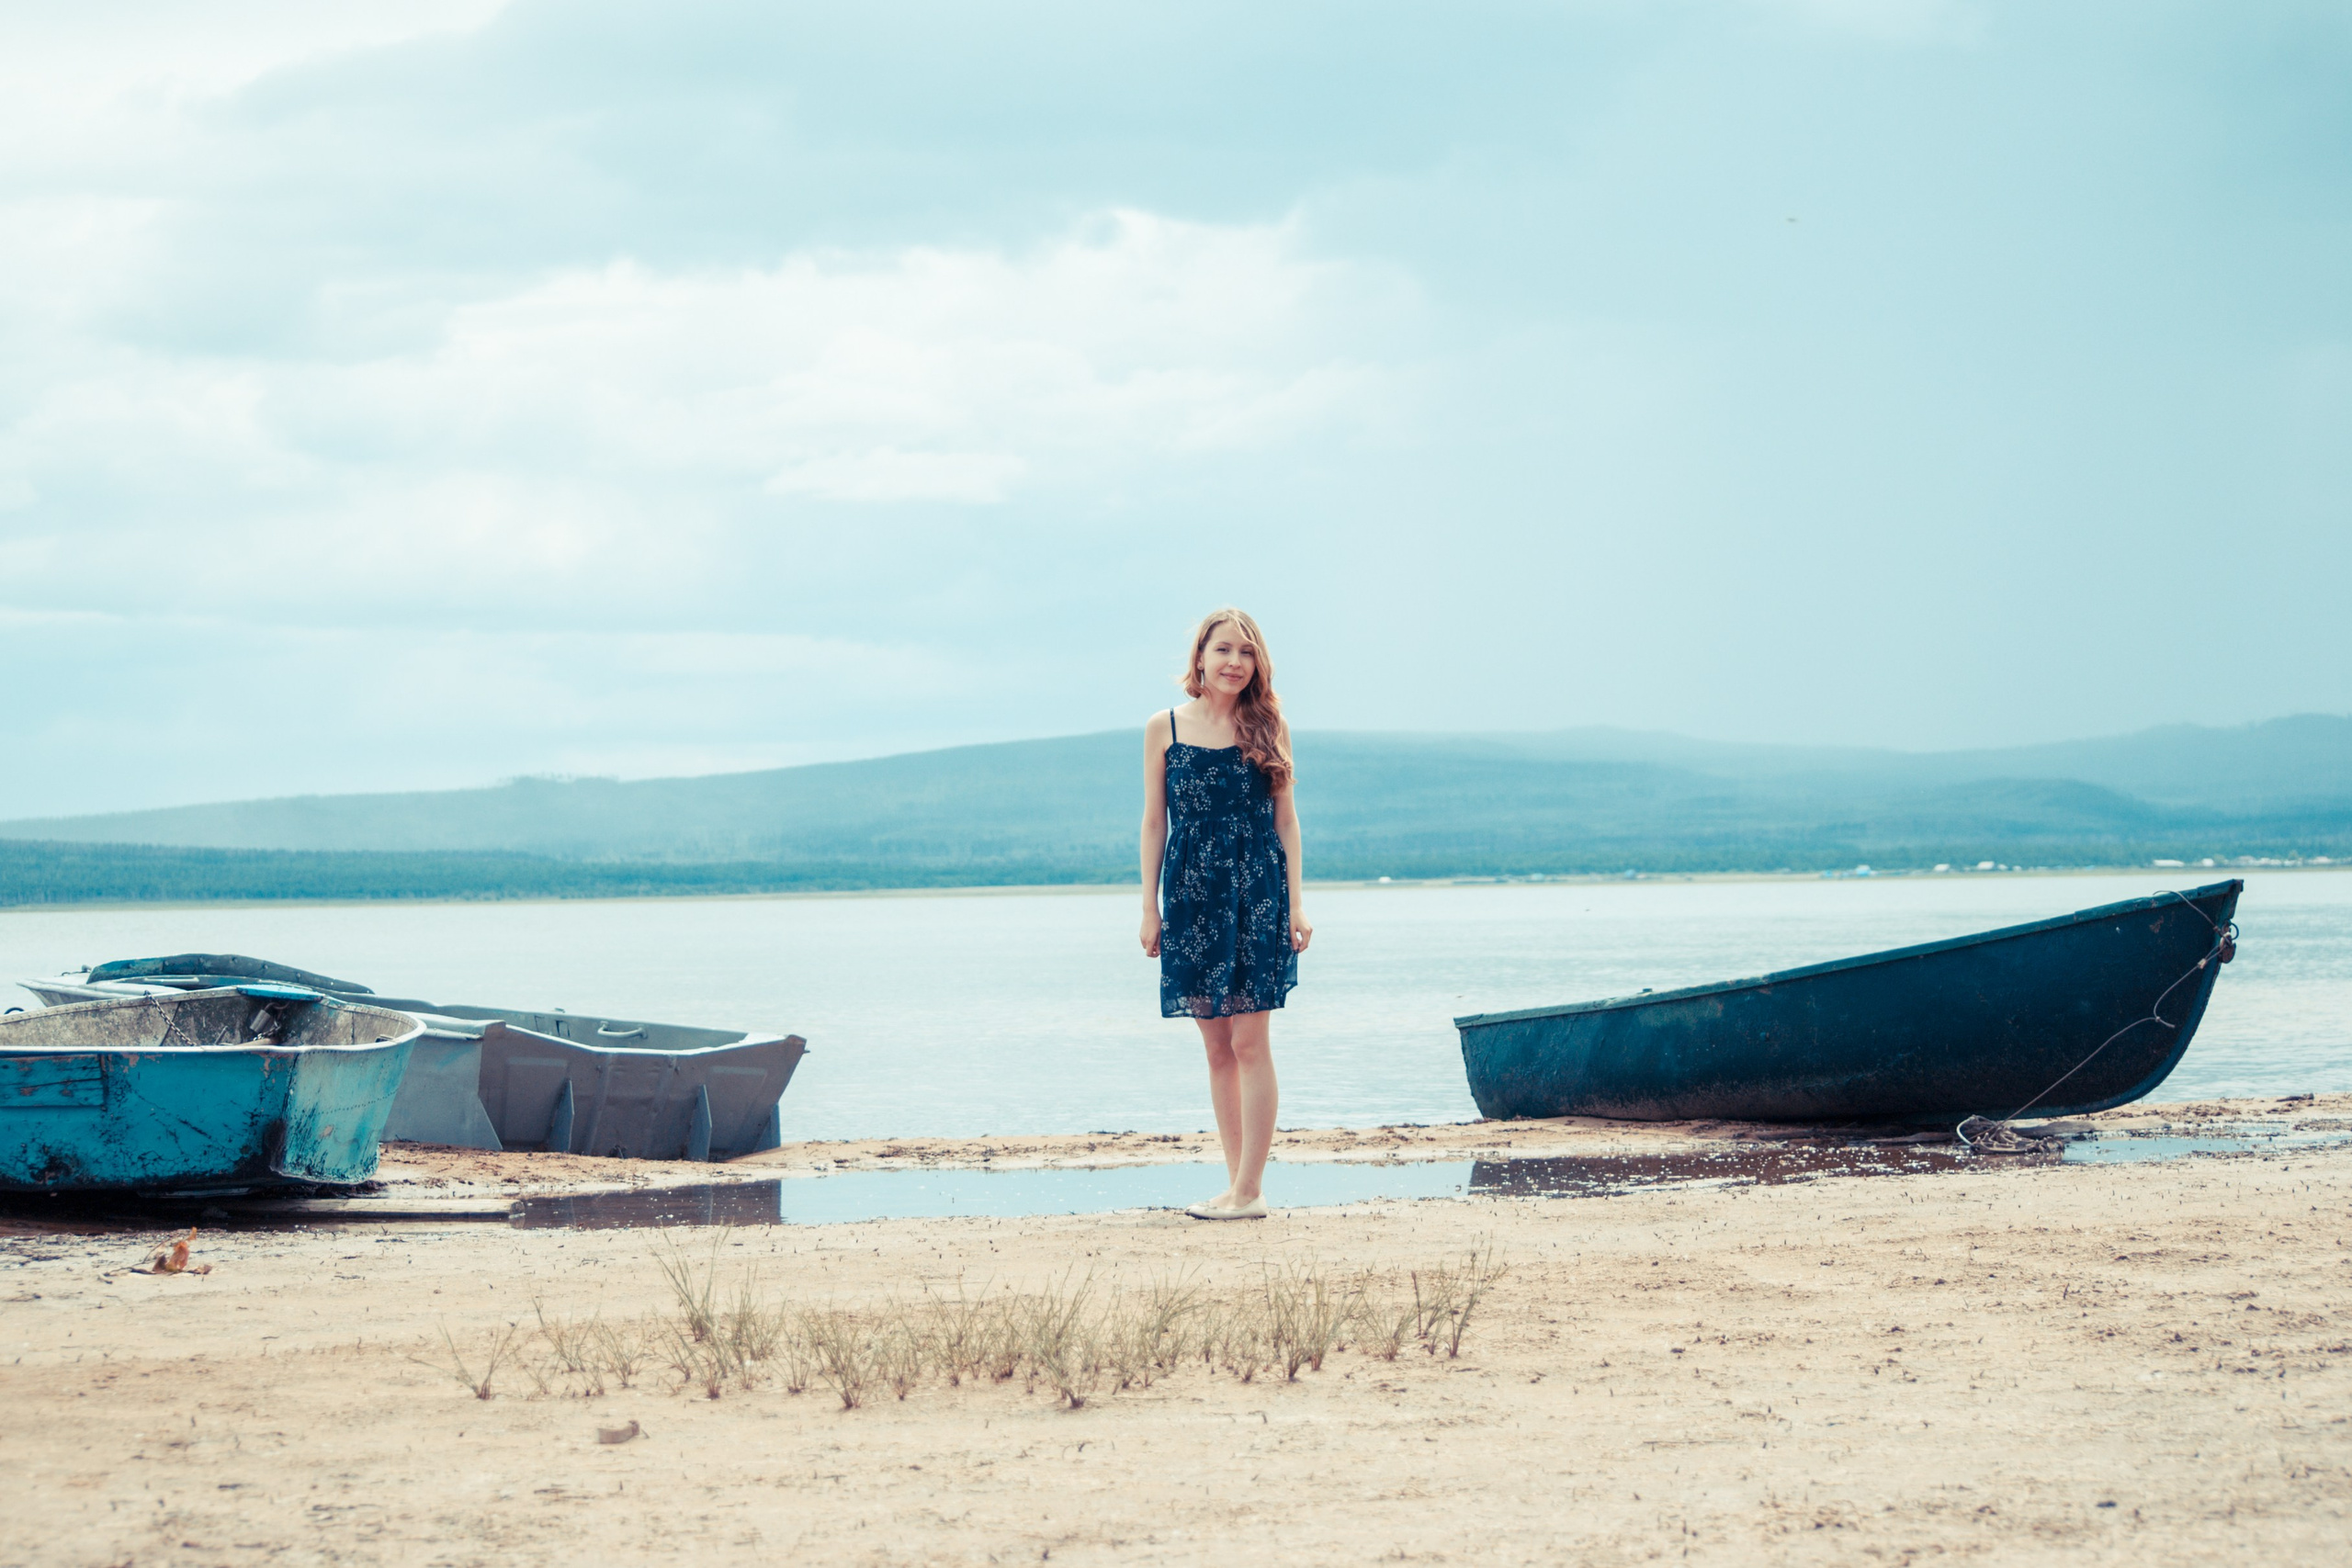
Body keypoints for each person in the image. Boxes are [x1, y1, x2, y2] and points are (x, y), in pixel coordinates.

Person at [1139, 607, 1311, 1220]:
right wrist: (1149, 908)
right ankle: (1240, 1186)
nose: (1235, 661)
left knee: (1249, 1040)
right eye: (1223, 650)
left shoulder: (1269, 725)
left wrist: (1296, 903)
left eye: (1246, 651)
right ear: (1200, 658)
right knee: (1216, 1046)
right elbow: (1154, 823)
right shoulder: (1164, 727)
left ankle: (1249, 1188)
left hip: (1256, 893)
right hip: (1191, 898)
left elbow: (1286, 821)